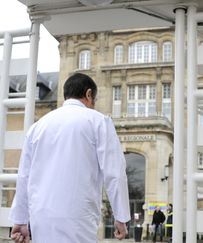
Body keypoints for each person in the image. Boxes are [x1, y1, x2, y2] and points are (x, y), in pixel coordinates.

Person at [9, 73, 131, 243]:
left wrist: (20, 220)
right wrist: (121, 216)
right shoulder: (99, 122)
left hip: (41, 217)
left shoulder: (37, 127)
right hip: (78, 217)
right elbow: (115, 173)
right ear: (89, 95)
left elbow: (24, 177)